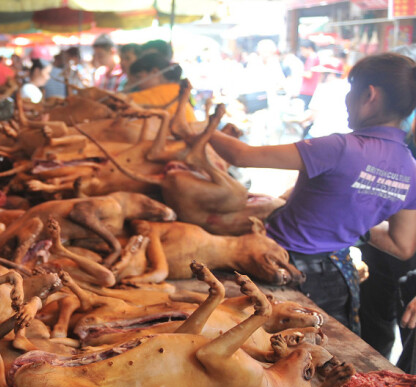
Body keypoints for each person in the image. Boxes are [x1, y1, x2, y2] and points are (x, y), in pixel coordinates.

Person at [204, 52, 416, 335]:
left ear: (370, 95)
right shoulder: (410, 168)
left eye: (351, 91)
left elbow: (241, 155)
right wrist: (353, 225)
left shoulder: (338, 148)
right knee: (314, 358)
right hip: (337, 280)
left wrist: (195, 127)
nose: (347, 100)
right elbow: (402, 245)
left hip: (277, 267)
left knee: (251, 346)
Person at [125, 52, 196, 123]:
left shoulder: (137, 98)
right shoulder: (177, 90)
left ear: (154, 72)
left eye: (138, 77)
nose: (136, 84)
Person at [299, 39, 321, 107]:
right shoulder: (316, 57)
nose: (302, 52)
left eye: (303, 50)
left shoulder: (312, 57)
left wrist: (298, 72)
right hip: (311, 89)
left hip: (307, 90)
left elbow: (309, 74)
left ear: (309, 48)